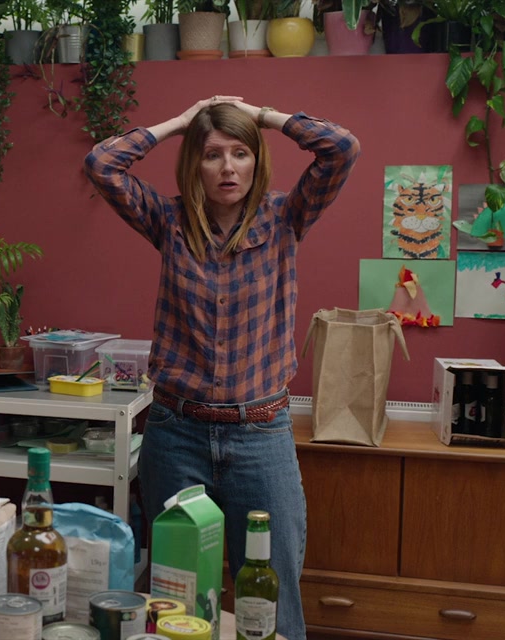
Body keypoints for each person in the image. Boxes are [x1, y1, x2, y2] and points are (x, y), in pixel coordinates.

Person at [85, 96, 359, 640]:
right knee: (177, 600)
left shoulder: (285, 217)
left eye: (240, 153)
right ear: (195, 164)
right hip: (176, 436)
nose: (228, 167)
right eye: (212, 155)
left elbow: (342, 148)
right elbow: (102, 164)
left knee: (271, 600)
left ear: (257, 159)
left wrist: (263, 115)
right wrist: (180, 123)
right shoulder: (169, 221)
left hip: (261, 438)